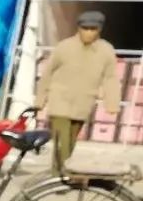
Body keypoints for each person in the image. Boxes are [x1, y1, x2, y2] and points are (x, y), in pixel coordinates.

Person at [35, 10, 120, 175]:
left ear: (99, 30)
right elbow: (48, 73)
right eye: (85, 28)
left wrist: (112, 103)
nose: (88, 32)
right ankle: (61, 174)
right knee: (62, 140)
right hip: (60, 100)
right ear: (79, 28)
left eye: (93, 29)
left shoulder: (106, 50)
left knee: (71, 141)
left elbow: (110, 78)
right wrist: (40, 99)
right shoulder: (64, 47)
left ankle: (60, 171)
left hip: (84, 102)